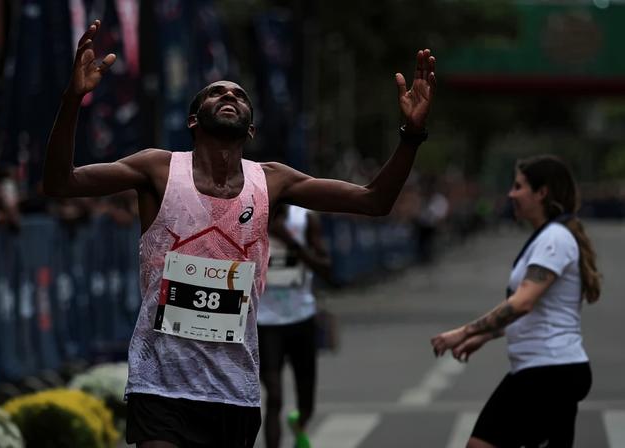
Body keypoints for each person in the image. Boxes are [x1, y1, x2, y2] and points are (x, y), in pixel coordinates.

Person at [43, 20, 435, 448]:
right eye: (217, 92)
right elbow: (61, 183)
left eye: (239, 95)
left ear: (250, 129)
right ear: (194, 120)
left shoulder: (270, 180)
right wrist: (72, 100)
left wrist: (411, 136)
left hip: (233, 391)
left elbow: (374, 201)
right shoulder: (157, 168)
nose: (229, 95)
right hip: (159, 384)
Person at [431, 155, 600, 448]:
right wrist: (484, 336)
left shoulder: (554, 239)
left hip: (548, 371)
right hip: (552, 370)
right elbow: (533, 314)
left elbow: (522, 304)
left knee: (481, 444)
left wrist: (464, 331)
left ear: (541, 193)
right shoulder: (548, 237)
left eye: (518, 186)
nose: (511, 194)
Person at [257, 205, 331, 448]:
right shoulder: (251, 216)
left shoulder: (306, 219)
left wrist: (290, 241)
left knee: (306, 403)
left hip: (301, 318)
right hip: (265, 322)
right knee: (274, 398)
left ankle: (300, 423)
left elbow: (325, 267)